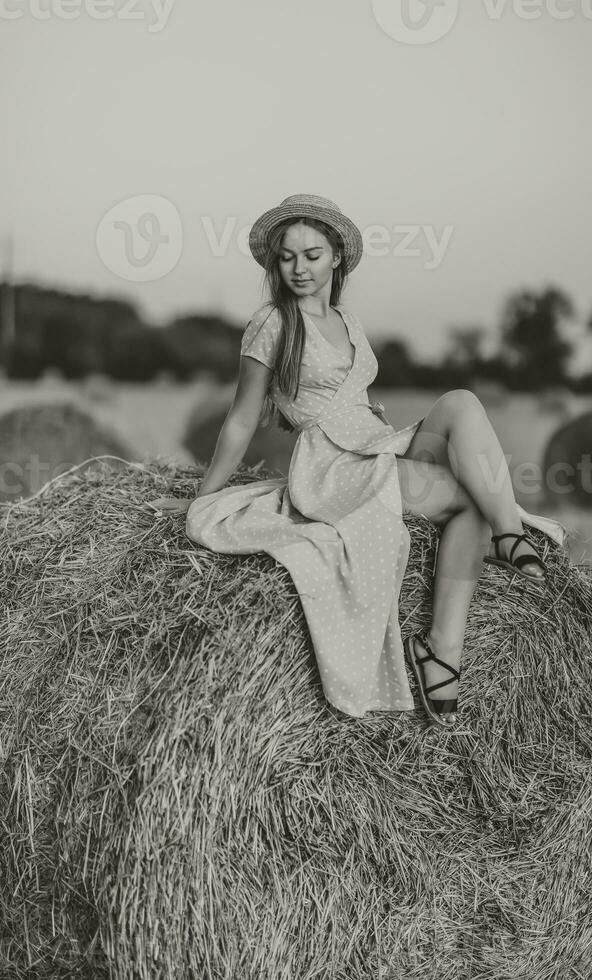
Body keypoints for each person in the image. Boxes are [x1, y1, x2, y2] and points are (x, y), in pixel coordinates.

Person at [150, 193, 564, 728]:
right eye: (288, 256)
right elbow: (240, 418)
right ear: (275, 263)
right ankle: (443, 653)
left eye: (313, 254)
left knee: (462, 402)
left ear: (337, 257)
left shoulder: (348, 319)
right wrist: (205, 497)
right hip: (333, 462)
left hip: (374, 440)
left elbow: (362, 404)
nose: (299, 268)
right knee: (468, 504)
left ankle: (508, 535)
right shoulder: (272, 324)